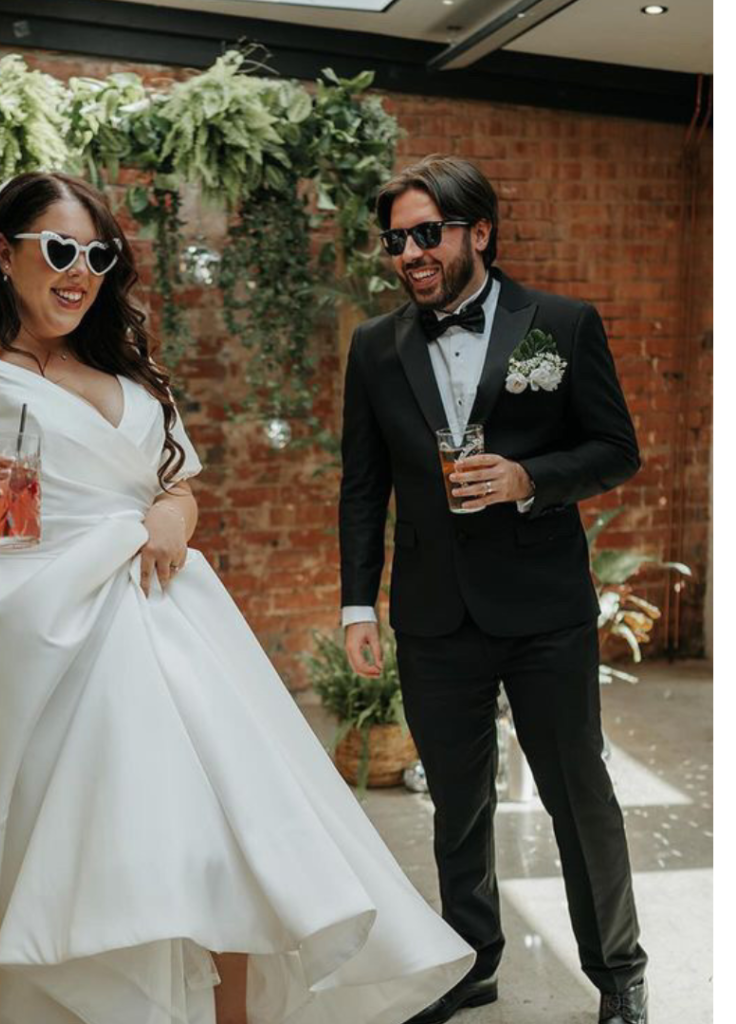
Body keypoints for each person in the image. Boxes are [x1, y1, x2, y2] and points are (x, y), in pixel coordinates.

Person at [0, 171, 474, 1024]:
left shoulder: (131, 373)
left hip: (165, 631)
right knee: (84, 875)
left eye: (96, 253)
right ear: (4, 255)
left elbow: (178, 487)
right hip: (18, 648)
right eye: (57, 249)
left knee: (228, 844)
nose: (78, 270)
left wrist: (169, 513)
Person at [339, 154, 648, 1024]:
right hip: (435, 614)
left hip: (545, 612)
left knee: (578, 796)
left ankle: (620, 971)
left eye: (426, 234)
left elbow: (615, 450)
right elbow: (362, 484)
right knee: (456, 803)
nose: (409, 254)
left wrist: (528, 479)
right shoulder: (374, 345)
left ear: (479, 232)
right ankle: (472, 961)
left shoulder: (563, 323)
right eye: (396, 240)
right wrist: (357, 602)